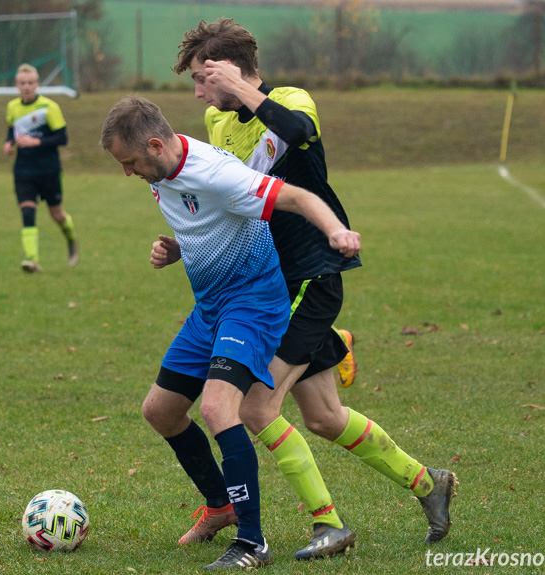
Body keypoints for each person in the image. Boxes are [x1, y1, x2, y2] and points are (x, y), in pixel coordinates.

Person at [166, 18, 456, 557]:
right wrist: (185, 243)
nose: (200, 93)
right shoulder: (216, 120)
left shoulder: (294, 99)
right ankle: (428, 483)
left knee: (255, 409)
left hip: (310, 273)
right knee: (323, 416)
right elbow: (234, 195)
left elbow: (297, 134)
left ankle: (329, 524)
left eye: (206, 80)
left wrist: (246, 92)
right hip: (268, 278)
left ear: (233, 73)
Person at [100, 95, 360, 570]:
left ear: (155, 146)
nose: (127, 173)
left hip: (253, 303)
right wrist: (179, 250)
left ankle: (252, 541)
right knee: (160, 411)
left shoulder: (216, 172)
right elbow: (209, 220)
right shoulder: (164, 168)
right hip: (210, 307)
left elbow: (297, 197)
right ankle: (219, 507)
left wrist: (336, 232)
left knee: (220, 408)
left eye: (130, 163)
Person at [4, 63, 78, 273]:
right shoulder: (12, 107)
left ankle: (71, 238)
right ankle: (31, 260)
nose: (26, 86)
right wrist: (8, 144)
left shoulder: (49, 107)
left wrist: (37, 142)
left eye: (30, 83)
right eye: (22, 83)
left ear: (37, 84)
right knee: (27, 212)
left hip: (48, 169)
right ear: (17, 85)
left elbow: (62, 138)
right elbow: (12, 130)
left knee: (57, 214)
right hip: (23, 170)